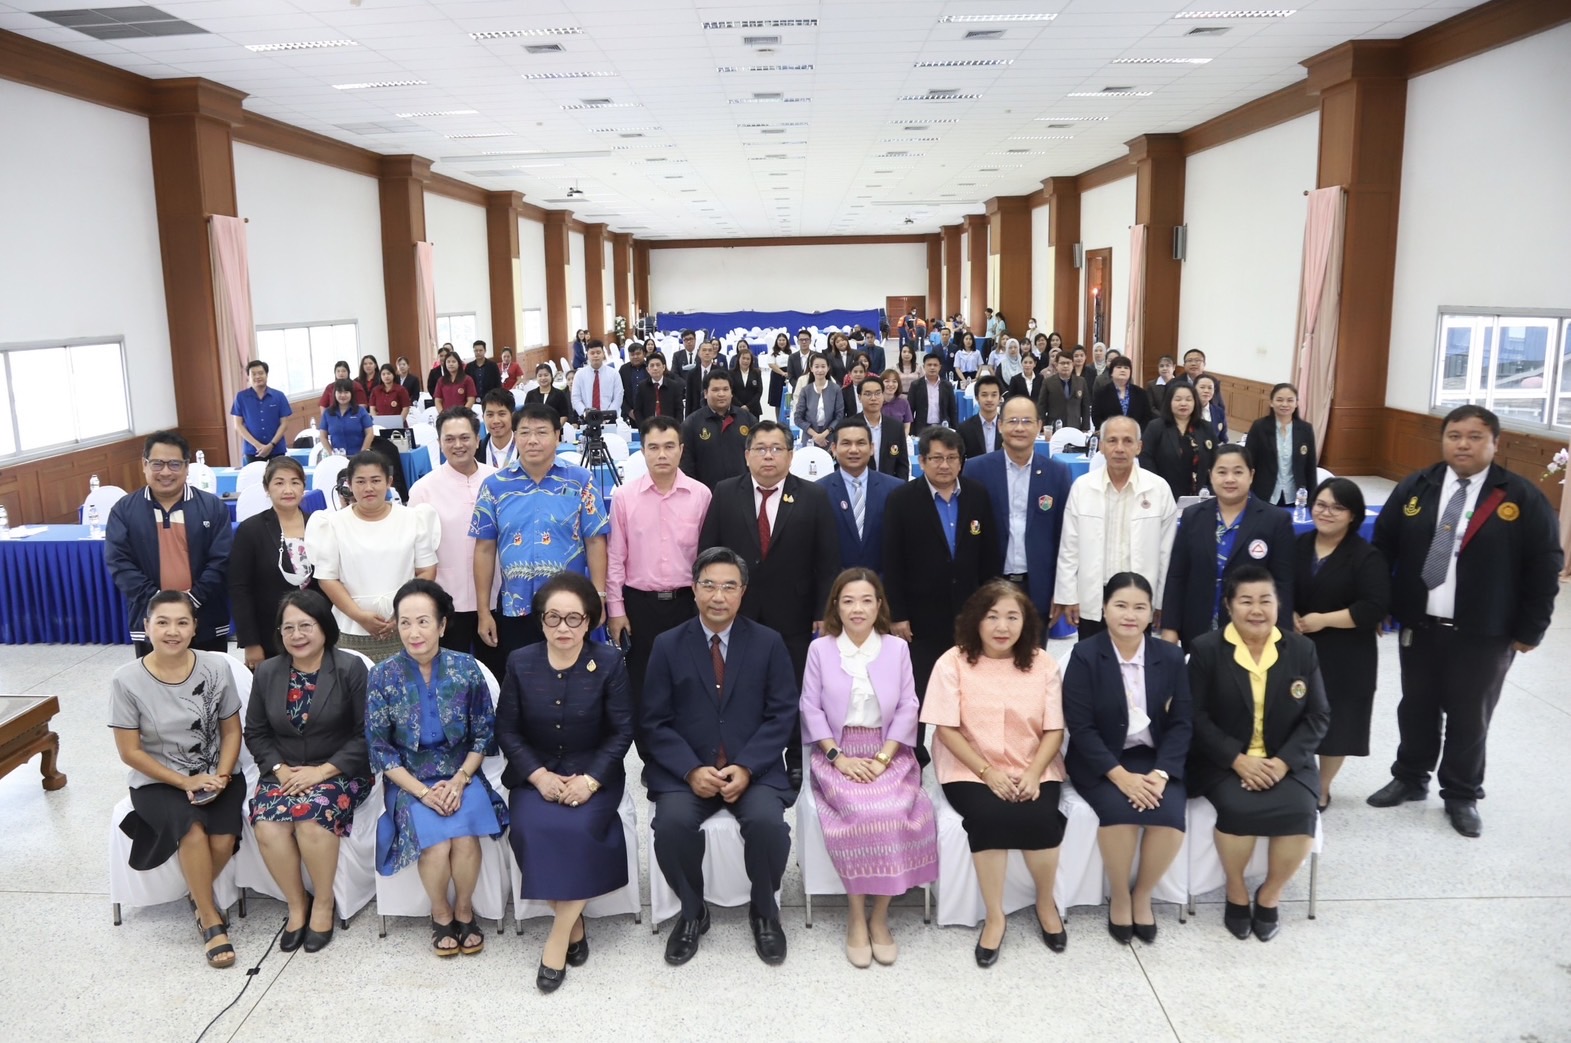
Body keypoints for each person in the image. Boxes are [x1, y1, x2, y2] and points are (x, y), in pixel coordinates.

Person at [1367, 405, 1562, 837]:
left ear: (1495, 443)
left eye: (1475, 437)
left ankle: (1461, 794)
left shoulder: (1520, 496)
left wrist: (1532, 628)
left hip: (1485, 630)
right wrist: (1379, 603)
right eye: (1454, 436)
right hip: (1420, 624)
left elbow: (1545, 565)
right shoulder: (1417, 486)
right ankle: (1410, 776)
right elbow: (1382, 547)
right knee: (1415, 706)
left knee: (1470, 716)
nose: (1463, 445)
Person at [641, 547, 797, 966]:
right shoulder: (667, 645)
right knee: (670, 827)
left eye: (729, 586)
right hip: (688, 771)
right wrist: (690, 769)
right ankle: (693, 913)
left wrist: (747, 766)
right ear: (693, 589)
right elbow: (654, 721)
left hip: (752, 769)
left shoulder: (768, 643)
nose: (718, 596)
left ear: (743, 592)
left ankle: (764, 912)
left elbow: (783, 714)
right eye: (708, 585)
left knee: (768, 825)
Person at [496, 572, 633, 992]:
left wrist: (589, 781)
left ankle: (558, 938)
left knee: (580, 828)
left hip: (593, 772)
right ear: (540, 620)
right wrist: (538, 776)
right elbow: (507, 730)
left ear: (589, 621)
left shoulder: (608, 663)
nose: (563, 628)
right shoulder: (521, 662)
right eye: (553, 617)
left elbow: (622, 731)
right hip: (535, 772)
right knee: (529, 829)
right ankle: (575, 927)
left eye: (574, 619)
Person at [920, 580, 1067, 965]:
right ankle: (995, 916)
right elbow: (945, 730)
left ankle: (1045, 904)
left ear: (1025, 622)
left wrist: (1034, 772)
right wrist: (987, 772)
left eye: (1012, 617)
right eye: (992, 616)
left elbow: (1054, 730)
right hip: (970, 767)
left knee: (1041, 817)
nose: (1003, 626)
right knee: (989, 816)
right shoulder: (952, 662)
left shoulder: (1043, 664)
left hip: (1033, 763)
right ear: (976, 619)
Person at [799, 568, 938, 967]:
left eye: (865, 600)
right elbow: (809, 707)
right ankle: (857, 916)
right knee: (860, 812)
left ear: (879, 606)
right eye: (848, 601)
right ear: (836, 607)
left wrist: (883, 759)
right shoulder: (821, 650)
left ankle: (880, 917)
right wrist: (838, 758)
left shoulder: (896, 649)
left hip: (889, 750)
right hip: (837, 750)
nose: (857, 609)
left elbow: (909, 706)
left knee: (894, 810)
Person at [365, 579, 509, 957]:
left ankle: (465, 910)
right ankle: (441, 912)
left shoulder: (466, 669)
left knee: (464, 838)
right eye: (405, 622)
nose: (414, 632)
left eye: (423, 621)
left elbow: (483, 735)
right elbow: (380, 749)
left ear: (442, 625)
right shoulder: (382, 676)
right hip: (408, 779)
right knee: (436, 842)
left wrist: (460, 781)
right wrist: (423, 792)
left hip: (462, 772)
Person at [1186, 565, 1328, 942]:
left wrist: (1282, 763)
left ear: (1278, 604)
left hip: (1286, 760)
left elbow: (1318, 716)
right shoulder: (1206, 649)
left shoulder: (1301, 649)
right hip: (1224, 761)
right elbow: (1194, 716)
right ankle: (1236, 891)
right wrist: (1237, 759)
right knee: (1238, 808)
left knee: (1301, 811)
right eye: (1246, 601)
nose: (1257, 610)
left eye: (1266, 600)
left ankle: (1270, 895)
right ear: (1228, 606)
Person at [109, 589, 244, 970]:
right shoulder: (126, 680)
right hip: (159, 780)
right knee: (193, 831)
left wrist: (221, 775)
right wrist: (184, 782)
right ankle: (209, 917)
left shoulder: (216, 668)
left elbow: (231, 731)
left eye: (182, 622)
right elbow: (130, 752)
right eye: (163, 622)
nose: (173, 631)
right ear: (146, 626)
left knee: (223, 839)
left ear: (194, 627)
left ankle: (195, 893)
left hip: (216, 773)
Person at [698, 420, 839, 782]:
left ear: (790, 456)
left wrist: (823, 610)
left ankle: (795, 755)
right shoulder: (725, 492)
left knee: (791, 686)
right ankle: (740, 754)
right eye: (760, 449)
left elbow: (827, 561)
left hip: (794, 612)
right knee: (736, 683)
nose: (768, 456)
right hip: (736, 610)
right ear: (747, 455)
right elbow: (708, 552)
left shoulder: (813, 496)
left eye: (777, 449)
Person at [1061, 573, 1190, 944]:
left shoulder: (1170, 656)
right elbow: (1081, 727)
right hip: (1102, 760)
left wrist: (1161, 773)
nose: (1130, 615)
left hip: (1156, 758)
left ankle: (1142, 894)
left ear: (1152, 614)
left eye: (1139, 607)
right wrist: (1120, 776)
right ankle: (1119, 895)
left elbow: (1183, 722)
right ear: (1104, 610)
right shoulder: (1085, 655)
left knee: (1169, 816)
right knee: (1119, 813)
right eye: (1120, 605)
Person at [245, 589, 372, 954]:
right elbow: (255, 732)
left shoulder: (349, 668)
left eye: (306, 626)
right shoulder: (268, 671)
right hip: (284, 771)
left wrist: (323, 773)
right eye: (288, 628)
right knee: (268, 824)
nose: (297, 635)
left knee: (311, 819)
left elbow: (367, 733)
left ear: (324, 627)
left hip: (340, 770)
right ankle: (297, 903)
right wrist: (279, 770)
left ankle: (324, 904)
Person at [883, 427, 1003, 757]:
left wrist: (990, 611)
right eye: (936, 458)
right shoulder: (902, 500)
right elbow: (892, 561)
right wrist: (897, 615)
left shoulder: (977, 496)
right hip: (920, 618)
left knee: (971, 687)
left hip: (970, 614)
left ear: (961, 461)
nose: (945, 465)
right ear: (921, 461)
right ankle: (912, 756)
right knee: (916, 691)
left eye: (952, 458)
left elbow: (990, 557)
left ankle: (973, 754)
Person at [471, 404, 609, 664]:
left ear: (558, 436)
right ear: (515, 436)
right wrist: (483, 611)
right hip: (516, 606)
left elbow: (595, 541)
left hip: (571, 608)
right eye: (524, 432)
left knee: (574, 676)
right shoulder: (495, 486)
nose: (532, 440)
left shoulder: (581, 481)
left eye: (541, 432)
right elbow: (484, 549)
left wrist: (600, 596)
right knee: (523, 676)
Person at [606, 416, 711, 724]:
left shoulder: (701, 495)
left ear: (681, 449)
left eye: (669, 446)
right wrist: (616, 610)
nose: (661, 454)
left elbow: (708, 558)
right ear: (642, 451)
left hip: (687, 604)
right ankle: (648, 748)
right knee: (643, 685)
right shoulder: (624, 497)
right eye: (653, 447)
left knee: (690, 681)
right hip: (640, 606)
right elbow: (615, 558)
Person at [1292, 477, 1390, 810]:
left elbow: (1373, 607)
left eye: (1337, 507)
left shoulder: (1366, 556)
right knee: (1293, 716)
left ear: (1353, 515)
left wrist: (1323, 620)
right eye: (1321, 505)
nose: (1326, 512)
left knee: (1339, 722)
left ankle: (1322, 787)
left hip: (1347, 652)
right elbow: (1279, 584)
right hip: (1298, 647)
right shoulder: (1299, 545)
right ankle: (1293, 777)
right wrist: (1289, 612)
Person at [106, 431, 233, 657]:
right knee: (154, 678)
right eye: (157, 464)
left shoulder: (212, 507)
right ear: (144, 465)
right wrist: (158, 602)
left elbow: (222, 560)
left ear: (186, 467)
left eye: (174, 464)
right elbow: (119, 563)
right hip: (150, 619)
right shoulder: (124, 510)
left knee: (209, 677)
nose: (165, 472)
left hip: (206, 616)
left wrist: (192, 599)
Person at [306, 451, 440, 662]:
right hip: (351, 627)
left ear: (389, 482)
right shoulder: (332, 524)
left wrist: (401, 613)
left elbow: (426, 570)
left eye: (376, 480)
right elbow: (327, 579)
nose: (368, 488)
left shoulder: (413, 518)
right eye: (360, 481)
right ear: (349, 485)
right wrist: (359, 616)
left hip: (406, 625)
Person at [1161, 445, 1295, 650]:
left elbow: (1283, 583)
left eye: (1238, 472)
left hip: (1252, 630)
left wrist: (1281, 635)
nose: (1230, 479)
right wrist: (1170, 627)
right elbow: (1177, 575)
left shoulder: (1275, 521)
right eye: (1222, 472)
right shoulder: (1193, 516)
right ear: (1211, 475)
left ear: (1251, 475)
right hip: (1197, 627)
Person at [1054, 416, 1177, 640]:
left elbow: (1166, 553)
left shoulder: (1158, 489)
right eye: (1112, 440)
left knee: (1136, 659)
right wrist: (1068, 596)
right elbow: (1069, 548)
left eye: (1128, 441)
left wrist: (1161, 601)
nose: (1119, 448)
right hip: (1094, 594)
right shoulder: (1083, 487)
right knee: (1092, 657)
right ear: (1101, 446)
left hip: (1139, 596)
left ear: (1139, 447)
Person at [967, 395, 1073, 634]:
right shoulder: (976, 469)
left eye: (1027, 421)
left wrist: (1062, 591)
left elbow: (1065, 536)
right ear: (1000, 425)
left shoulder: (1057, 473)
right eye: (1012, 421)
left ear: (1039, 426)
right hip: (989, 585)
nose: (1019, 428)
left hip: (1038, 588)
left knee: (1034, 654)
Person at [407, 408, 501, 676]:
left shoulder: (499, 480)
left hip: (497, 597)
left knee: (496, 673)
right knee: (449, 677)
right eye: (449, 439)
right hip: (448, 600)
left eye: (464, 437)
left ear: (477, 439)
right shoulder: (423, 489)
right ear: (439, 443)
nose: (458, 445)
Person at [229, 456, 318, 669]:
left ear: (303, 487)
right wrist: (250, 642)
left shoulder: (317, 524)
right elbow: (239, 588)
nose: (288, 490)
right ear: (266, 488)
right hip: (269, 634)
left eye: (295, 482)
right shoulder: (251, 529)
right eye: (279, 483)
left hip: (316, 631)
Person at [819, 417, 903, 573]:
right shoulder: (818, 492)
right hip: (835, 584)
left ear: (871, 448)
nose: (853, 450)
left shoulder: (895, 490)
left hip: (884, 584)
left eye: (860, 443)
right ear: (834, 449)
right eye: (846, 443)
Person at [679, 368, 756, 489]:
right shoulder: (691, 424)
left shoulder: (748, 419)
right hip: (707, 493)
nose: (721, 394)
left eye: (725, 389)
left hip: (743, 491)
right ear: (705, 393)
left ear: (731, 392)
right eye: (715, 390)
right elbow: (686, 464)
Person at [1139, 383, 1216, 500]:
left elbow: (1215, 459)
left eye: (1188, 399)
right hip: (1163, 492)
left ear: (1195, 402)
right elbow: (1145, 457)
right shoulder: (1156, 426)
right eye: (1178, 399)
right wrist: (1156, 486)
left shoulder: (1206, 428)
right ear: (1169, 402)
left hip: (1198, 494)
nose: (1183, 403)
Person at [1244, 383, 1318, 506]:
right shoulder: (1259, 427)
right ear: (1271, 402)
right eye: (1279, 400)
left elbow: (1310, 467)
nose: (1284, 404)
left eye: (1290, 400)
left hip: (1295, 495)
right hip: (1265, 494)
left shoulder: (1306, 429)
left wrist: (1313, 498)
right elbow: (1248, 462)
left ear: (1296, 403)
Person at [231, 360, 293, 464]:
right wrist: (257, 445)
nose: (257, 377)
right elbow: (238, 425)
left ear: (266, 375)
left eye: (260, 373)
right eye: (253, 374)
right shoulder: (241, 397)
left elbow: (284, 424)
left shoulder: (279, 396)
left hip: (276, 449)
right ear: (248, 377)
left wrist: (271, 445)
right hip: (253, 451)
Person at [855, 375, 909, 480]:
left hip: (889, 485)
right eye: (868, 394)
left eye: (877, 393)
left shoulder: (896, 427)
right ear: (859, 398)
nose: (873, 398)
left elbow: (902, 464)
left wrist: (901, 486)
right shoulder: (851, 427)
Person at [793, 352, 843, 450]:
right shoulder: (805, 390)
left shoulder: (836, 389)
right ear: (811, 369)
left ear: (828, 368)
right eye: (816, 367)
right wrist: (816, 435)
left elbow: (839, 416)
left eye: (823, 366)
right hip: (810, 437)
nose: (820, 370)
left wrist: (824, 434)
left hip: (830, 437)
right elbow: (798, 418)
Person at [1092, 356, 1152, 431]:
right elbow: (1096, 417)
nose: (1123, 370)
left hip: (1134, 434)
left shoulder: (1141, 393)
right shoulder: (1101, 393)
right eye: (1119, 367)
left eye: (1126, 368)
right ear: (1111, 372)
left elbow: (1146, 417)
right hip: (1110, 434)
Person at [1038, 350, 1091, 432]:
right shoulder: (1048, 382)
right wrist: (1042, 427)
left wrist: (1085, 428)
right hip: (1054, 427)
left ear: (1073, 365)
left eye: (1068, 363)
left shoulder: (1081, 382)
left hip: (1075, 427)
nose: (1065, 366)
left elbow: (1085, 407)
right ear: (1056, 365)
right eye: (1062, 363)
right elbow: (1042, 406)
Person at [318, 379, 374, 457]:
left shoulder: (361, 411)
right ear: (335, 394)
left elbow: (370, 433)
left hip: (358, 457)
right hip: (337, 457)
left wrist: (362, 454)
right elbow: (322, 436)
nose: (343, 395)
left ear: (351, 394)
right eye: (340, 392)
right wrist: (331, 453)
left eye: (346, 392)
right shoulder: (327, 413)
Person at [907, 353, 957, 437]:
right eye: (929, 365)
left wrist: (955, 429)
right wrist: (911, 432)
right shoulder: (916, 385)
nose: (932, 367)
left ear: (940, 367)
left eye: (935, 365)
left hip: (943, 427)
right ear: (924, 367)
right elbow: (910, 411)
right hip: (922, 429)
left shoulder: (947, 386)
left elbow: (952, 410)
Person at [571, 341, 623, 420]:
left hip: (610, 419)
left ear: (603, 354)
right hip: (586, 419)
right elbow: (576, 398)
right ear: (587, 355)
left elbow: (618, 397)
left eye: (598, 352)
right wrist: (586, 414)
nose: (595, 355)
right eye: (592, 353)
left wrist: (607, 415)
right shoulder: (579, 375)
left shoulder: (614, 374)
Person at [958, 373, 1005, 460]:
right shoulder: (965, 428)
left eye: (994, 395)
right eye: (984, 395)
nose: (989, 399)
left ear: (1000, 398)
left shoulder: (1008, 426)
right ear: (977, 398)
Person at [684, 337, 734, 417]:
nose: (707, 353)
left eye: (710, 350)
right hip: (696, 414)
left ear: (714, 354)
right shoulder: (691, 374)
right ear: (698, 353)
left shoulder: (721, 373)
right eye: (704, 350)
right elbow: (689, 398)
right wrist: (687, 418)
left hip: (717, 413)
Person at [1173, 348, 1227, 420]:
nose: (1193, 364)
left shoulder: (1213, 382)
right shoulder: (1174, 383)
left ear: (1204, 364)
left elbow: (1219, 405)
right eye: (1189, 360)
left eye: (1197, 360)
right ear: (1184, 365)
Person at [633, 352, 685, 423]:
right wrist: (643, 427)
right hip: (649, 427)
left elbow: (679, 410)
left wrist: (675, 427)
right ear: (647, 369)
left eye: (658, 365)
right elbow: (637, 410)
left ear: (663, 367)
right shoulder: (642, 386)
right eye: (652, 365)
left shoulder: (674, 386)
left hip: (669, 427)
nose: (655, 368)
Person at [478, 388, 518, 471]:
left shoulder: (527, 448)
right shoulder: (475, 451)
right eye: (490, 415)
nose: (496, 421)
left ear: (512, 416)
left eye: (501, 414)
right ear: (483, 418)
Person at [764, 332, 793, 424]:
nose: (781, 342)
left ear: (786, 341)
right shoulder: (773, 352)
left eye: (783, 340)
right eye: (780, 340)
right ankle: (779, 421)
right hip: (777, 377)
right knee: (778, 401)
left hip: (789, 376)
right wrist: (782, 373)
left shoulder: (791, 351)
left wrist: (789, 373)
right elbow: (771, 364)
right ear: (777, 341)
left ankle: (788, 420)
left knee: (788, 399)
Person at [730, 341, 764, 417]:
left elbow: (759, 391)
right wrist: (740, 406)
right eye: (743, 358)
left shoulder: (756, 373)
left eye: (748, 359)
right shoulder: (731, 373)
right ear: (738, 359)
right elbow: (730, 391)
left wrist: (748, 406)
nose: (745, 361)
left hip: (753, 409)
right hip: (735, 408)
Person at [617, 341, 648, 422]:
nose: (635, 357)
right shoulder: (623, 369)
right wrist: (628, 411)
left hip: (649, 412)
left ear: (644, 354)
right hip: (629, 414)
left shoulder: (650, 367)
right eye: (632, 354)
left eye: (638, 354)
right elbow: (618, 392)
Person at [1193, 374, 1229, 444]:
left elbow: (1223, 438)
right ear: (1194, 389)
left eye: (1210, 388)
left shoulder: (1219, 411)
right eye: (1202, 387)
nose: (1206, 391)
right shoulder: (1187, 411)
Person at [879, 369, 913, 434]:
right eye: (887, 381)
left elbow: (907, 426)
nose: (891, 384)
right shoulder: (875, 402)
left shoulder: (904, 403)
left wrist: (902, 439)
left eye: (894, 381)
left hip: (899, 438)